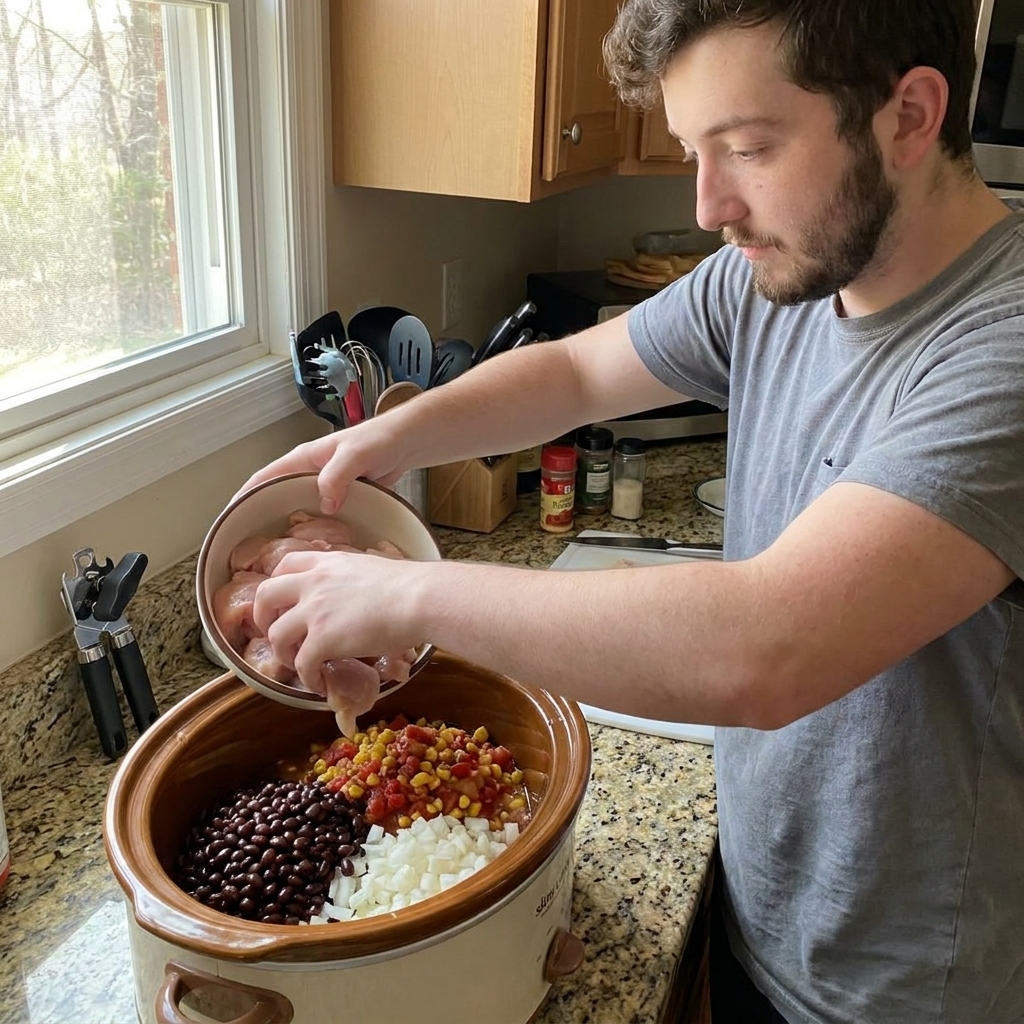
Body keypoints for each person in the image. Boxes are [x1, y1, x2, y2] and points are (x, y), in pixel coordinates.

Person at [240, 0, 1024, 1019]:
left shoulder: (999, 351)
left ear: (910, 116)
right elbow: (572, 370)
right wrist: (384, 438)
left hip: (907, 978)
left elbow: (765, 646)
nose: (706, 205)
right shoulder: (773, 282)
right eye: (696, 150)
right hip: (770, 900)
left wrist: (407, 595)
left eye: (744, 148)